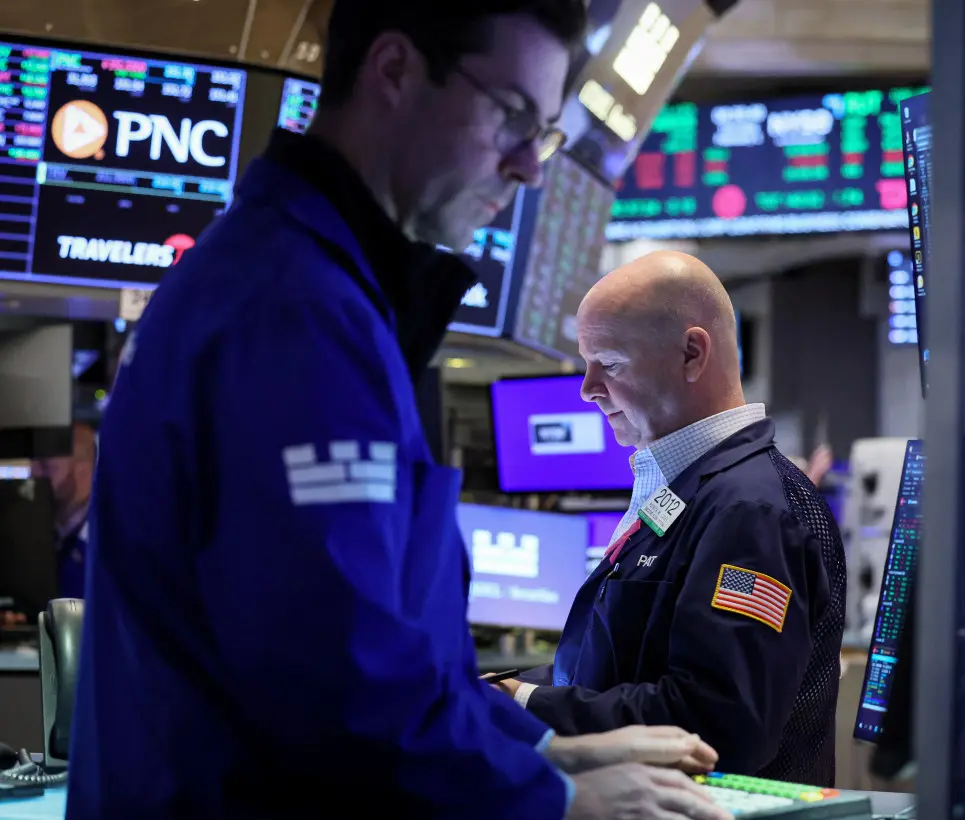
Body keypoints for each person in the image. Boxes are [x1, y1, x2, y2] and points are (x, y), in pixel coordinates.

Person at [66, 4, 731, 819]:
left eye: (544, 132)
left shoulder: (317, 290)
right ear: (394, 69)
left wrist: (547, 748)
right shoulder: (296, 312)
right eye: (513, 116)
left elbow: (396, 654)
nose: (529, 167)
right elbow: (333, 684)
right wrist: (556, 800)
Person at [495, 251, 848, 785]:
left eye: (608, 363)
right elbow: (619, 669)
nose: (587, 388)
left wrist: (526, 703)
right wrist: (499, 688)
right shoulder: (688, 491)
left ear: (691, 353)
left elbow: (718, 726)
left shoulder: (750, 509)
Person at [29, 421, 96, 599]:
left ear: (83, 470)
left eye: (45, 467)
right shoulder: (36, 532)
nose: (33, 474)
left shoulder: (107, 543)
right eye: (33, 464)